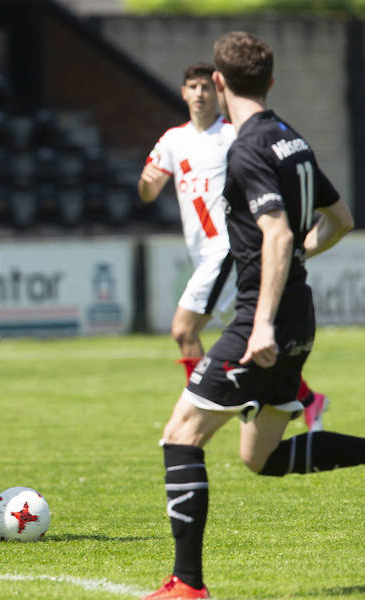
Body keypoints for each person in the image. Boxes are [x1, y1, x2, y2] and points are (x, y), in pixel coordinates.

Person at [144, 32, 364, 599]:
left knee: (180, 437)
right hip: (301, 316)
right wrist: (298, 258)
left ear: (219, 83)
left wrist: (261, 321)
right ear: (270, 82)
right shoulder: (292, 140)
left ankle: (187, 585)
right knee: (258, 458)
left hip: (260, 323)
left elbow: (276, 231)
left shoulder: (246, 148)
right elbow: (339, 217)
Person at [138, 62, 329, 431]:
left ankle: (199, 404)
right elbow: (149, 192)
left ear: (218, 91)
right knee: (249, 342)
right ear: (183, 93)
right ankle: (308, 399)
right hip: (204, 254)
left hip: (225, 248)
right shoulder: (172, 140)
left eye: (206, 87)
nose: (199, 94)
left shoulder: (233, 135)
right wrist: (147, 182)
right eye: (192, 87)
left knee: (183, 329)